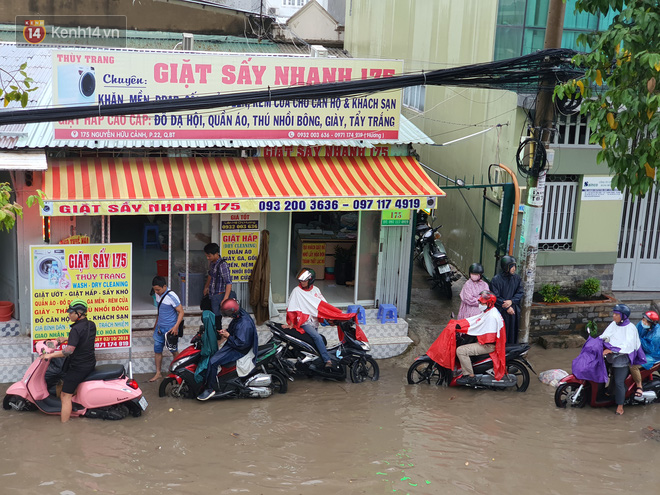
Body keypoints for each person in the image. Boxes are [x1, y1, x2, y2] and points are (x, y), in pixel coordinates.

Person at [426, 291, 507, 383]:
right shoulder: (489, 311)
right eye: (479, 302)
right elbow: (474, 320)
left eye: (482, 303)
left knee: (461, 350)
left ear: (489, 303)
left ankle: (469, 375)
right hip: (487, 342)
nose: (479, 304)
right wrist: (458, 324)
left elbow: (481, 330)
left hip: (488, 345)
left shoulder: (492, 316)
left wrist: (463, 329)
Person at [39, 299, 96, 423]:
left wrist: (50, 355)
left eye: (71, 313)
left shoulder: (75, 330)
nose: (69, 315)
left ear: (79, 314)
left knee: (65, 396)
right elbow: (84, 340)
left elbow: (68, 352)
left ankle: (64, 427)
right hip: (89, 363)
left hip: (79, 367)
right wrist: (68, 339)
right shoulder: (91, 325)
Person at [197, 298, 259, 401]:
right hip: (235, 344)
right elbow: (235, 329)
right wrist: (226, 332)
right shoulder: (240, 314)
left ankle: (210, 389)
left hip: (239, 349)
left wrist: (228, 336)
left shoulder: (244, 323)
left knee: (212, 362)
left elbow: (241, 344)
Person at [599, 304, 646, 415]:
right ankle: (608, 392)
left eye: (616, 314)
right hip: (611, 358)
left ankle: (620, 407)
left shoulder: (630, 328)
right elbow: (605, 336)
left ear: (623, 316)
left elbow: (628, 346)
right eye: (614, 314)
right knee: (606, 374)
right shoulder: (613, 324)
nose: (613, 316)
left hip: (622, 360)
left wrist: (612, 350)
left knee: (619, 382)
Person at [283, 268, 333, 368]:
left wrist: (332, 315)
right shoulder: (297, 291)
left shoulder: (316, 290)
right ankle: (327, 360)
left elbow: (323, 305)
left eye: (304, 280)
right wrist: (291, 323)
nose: (302, 282)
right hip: (304, 322)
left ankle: (312, 363)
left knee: (312, 342)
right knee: (317, 337)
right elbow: (291, 308)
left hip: (314, 322)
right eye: (301, 280)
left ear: (311, 280)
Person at [150, 276, 184, 382]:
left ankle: (180, 371)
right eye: (155, 289)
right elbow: (160, 310)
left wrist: (176, 327)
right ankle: (158, 373)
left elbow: (181, 312)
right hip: (160, 328)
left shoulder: (172, 296)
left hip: (171, 330)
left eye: (158, 290)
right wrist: (156, 324)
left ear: (164, 286)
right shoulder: (157, 293)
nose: (156, 292)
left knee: (174, 351)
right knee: (157, 350)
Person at [490, 255, 523, 344]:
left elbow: (520, 292)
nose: (514, 269)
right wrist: (507, 307)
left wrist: (511, 301)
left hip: (513, 310)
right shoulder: (496, 280)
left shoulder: (517, 278)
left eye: (514, 266)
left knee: (512, 332)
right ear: (506, 267)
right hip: (501, 310)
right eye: (511, 266)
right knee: (500, 332)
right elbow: (495, 296)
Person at [630, 310, 660, 398]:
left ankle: (639, 386)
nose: (643, 322)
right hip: (640, 349)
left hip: (652, 355)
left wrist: (637, 339)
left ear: (652, 323)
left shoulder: (657, 335)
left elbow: (649, 349)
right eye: (643, 319)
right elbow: (633, 333)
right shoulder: (641, 324)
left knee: (633, 365)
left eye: (646, 321)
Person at [203, 243, 234, 318]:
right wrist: (206, 287)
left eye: (209, 256)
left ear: (216, 254)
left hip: (219, 295)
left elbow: (229, 283)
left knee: (217, 317)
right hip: (211, 295)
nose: (207, 258)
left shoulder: (223, 265)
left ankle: (218, 329)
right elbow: (210, 275)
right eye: (206, 256)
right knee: (210, 316)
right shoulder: (212, 264)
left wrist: (225, 299)